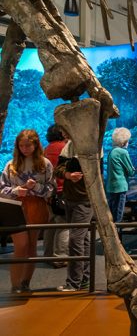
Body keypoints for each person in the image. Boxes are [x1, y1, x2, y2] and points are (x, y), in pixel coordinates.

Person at [0, 130, 54, 293]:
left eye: (28, 145)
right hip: (15, 207)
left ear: (36, 144)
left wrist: (35, 187)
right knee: (21, 246)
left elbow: (51, 190)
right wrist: (17, 190)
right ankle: (15, 284)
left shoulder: (45, 164)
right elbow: (2, 189)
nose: (24, 148)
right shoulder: (11, 164)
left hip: (37, 207)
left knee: (31, 247)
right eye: (21, 145)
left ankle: (25, 283)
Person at [55, 139, 93, 291]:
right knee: (82, 239)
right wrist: (68, 174)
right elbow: (58, 169)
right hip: (71, 198)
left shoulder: (92, 145)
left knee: (76, 239)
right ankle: (84, 279)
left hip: (84, 200)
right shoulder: (69, 146)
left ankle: (74, 283)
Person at [43, 124, 69, 268]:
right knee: (64, 225)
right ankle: (60, 257)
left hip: (48, 192)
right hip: (62, 191)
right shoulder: (64, 148)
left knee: (50, 224)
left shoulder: (45, 149)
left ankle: (47, 255)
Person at [106, 127, 135, 223]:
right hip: (120, 187)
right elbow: (131, 171)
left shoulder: (112, 151)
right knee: (118, 213)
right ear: (124, 141)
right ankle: (117, 235)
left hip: (111, 186)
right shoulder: (123, 152)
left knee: (111, 212)